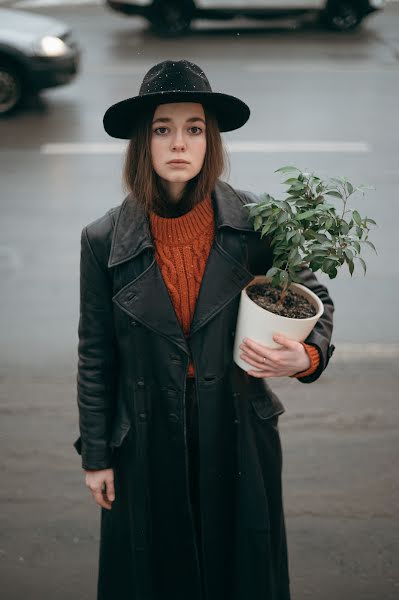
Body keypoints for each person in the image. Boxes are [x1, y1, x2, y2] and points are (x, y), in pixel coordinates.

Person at [73, 59, 335, 600]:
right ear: (142, 143)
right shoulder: (103, 240)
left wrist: (304, 357)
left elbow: (316, 301)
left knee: (240, 572)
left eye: (194, 129)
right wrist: (96, 455)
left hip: (238, 425)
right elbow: (96, 354)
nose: (179, 142)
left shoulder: (258, 222)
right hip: (144, 434)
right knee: (155, 575)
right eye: (162, 128)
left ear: (209, 141)